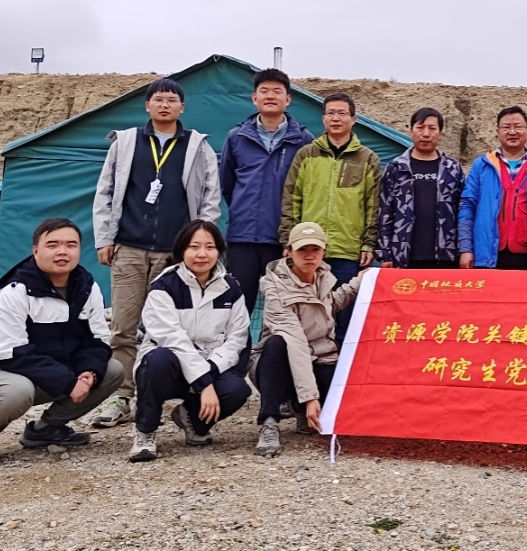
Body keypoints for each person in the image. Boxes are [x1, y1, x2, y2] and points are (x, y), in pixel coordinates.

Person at [91, 77, 221, 428]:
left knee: (171, 327)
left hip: (174, 255)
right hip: (129, 247)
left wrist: (198, 245)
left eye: (172, 100)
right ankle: (122, 396)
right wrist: (104, 238)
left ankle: (163, 395)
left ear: (182, 107)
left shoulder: (198, 146)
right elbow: (105, 191)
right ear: (147, 105)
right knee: (123, 327)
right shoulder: (126, 141)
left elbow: (210, 198)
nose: (165, 105)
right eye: (158, 99)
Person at [0, 218, 124, 467]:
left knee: (112, 371)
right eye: (53, 245)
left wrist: (89, 372)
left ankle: (46, 429)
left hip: (49, 368)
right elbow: (7, 352)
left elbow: (97, 339)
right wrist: (68, 382)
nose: (62, 251)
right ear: (36, 251)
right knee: (17, 390)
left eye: (71, 245)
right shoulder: (13, 292)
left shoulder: (87, 287)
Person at [128, 220, 251, 462]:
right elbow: (173, 340)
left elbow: (237, 338)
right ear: (182, 250)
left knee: (237, 390)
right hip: (171, 365)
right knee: (158, 360)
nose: (202, 254)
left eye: (210, 247)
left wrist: (211, 370)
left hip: (210, 362)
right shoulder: (164, 286)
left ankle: (191, 419)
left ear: (219, 251)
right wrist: (205, 383)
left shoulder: (231, 288)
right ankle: (145, 431)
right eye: (194, 247)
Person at [251, 222, 366, 457]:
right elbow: (295, 342)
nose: (309, 255)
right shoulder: (274, 286)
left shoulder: (323, 277)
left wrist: (359, 282)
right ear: (289, 251)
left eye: (315, 249)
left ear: (324, 251)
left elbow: (330, 305)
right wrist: (310, 397)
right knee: (277, 344)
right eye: (302, 249)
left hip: (320, 356)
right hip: (282, 361)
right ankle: (269, 422)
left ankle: (299, 408)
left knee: (338, 397)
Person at [279, 92, 381, 342]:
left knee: (344, 318)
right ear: (323, 118)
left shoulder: (367, 158)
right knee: (308, 314)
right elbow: (292, 198)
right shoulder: (306, 155)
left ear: (354, 119)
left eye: (342, 113)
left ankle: (339, 366)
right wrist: (289, 240)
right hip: (309, 250)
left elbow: (374, 205)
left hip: (348, 251)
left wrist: (369, 243)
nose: (336, 118)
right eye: (331, 113)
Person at [220, 68, 314, 316]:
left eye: (277, 91)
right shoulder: (237, 137)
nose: (270, 96)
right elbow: (227, 185)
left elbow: (307, 190)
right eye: (264, 91)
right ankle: (238, 345)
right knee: (238, 309)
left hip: (283, 240)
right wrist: (243, 210)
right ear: (254, 98)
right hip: (242, 238)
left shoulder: (303, 140)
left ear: (288, 99)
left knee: (282, 308)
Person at [458, 106, 527, 271]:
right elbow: (467, 207)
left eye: (518, 127)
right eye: (506, 127)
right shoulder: (482, 166)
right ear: (497, 132)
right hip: (488, 255)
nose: (512, 132)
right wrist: (466, 249)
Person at [377, 108, 465, 269]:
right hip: (403, 254)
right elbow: (385, 211)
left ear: (440, 133)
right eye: (420, 127)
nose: (426, 134)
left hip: (446, 255)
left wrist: (464, 250)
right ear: (411, 130)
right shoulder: (396, 168)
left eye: (432, 128)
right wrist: (385, 252)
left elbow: (462, 210)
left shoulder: (452, 169)